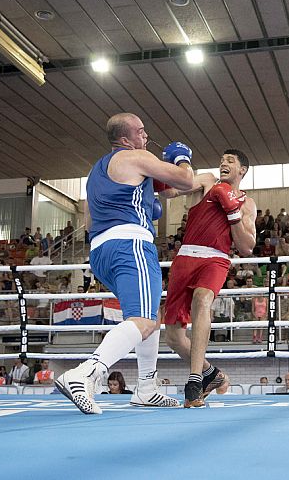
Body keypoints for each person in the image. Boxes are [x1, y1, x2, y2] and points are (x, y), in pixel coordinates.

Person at [55, 113, 194, 414]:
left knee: (149, 316)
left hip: (101, 251)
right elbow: (186, 180)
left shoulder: (96, 171)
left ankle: (146, 388)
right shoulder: (135, 156)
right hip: (130, 245)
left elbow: (165, 191)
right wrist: (181, 158)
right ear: (126, 138)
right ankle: (86, 373)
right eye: (142, 132)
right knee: (143, 321)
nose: (146, 137)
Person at [160, 149, 257, 408]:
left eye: (230, 161)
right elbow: (169, 192)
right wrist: (168, 166)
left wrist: (233, 213)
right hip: (185, 256)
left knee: (203, 299)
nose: (223, 163)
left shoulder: (247, 203)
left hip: (216, 258)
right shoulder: (206, 180)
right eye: (222, 160)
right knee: (173, 337)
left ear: (242, 170)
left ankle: (194, 380)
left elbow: (247, 247)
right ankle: (210, 374)